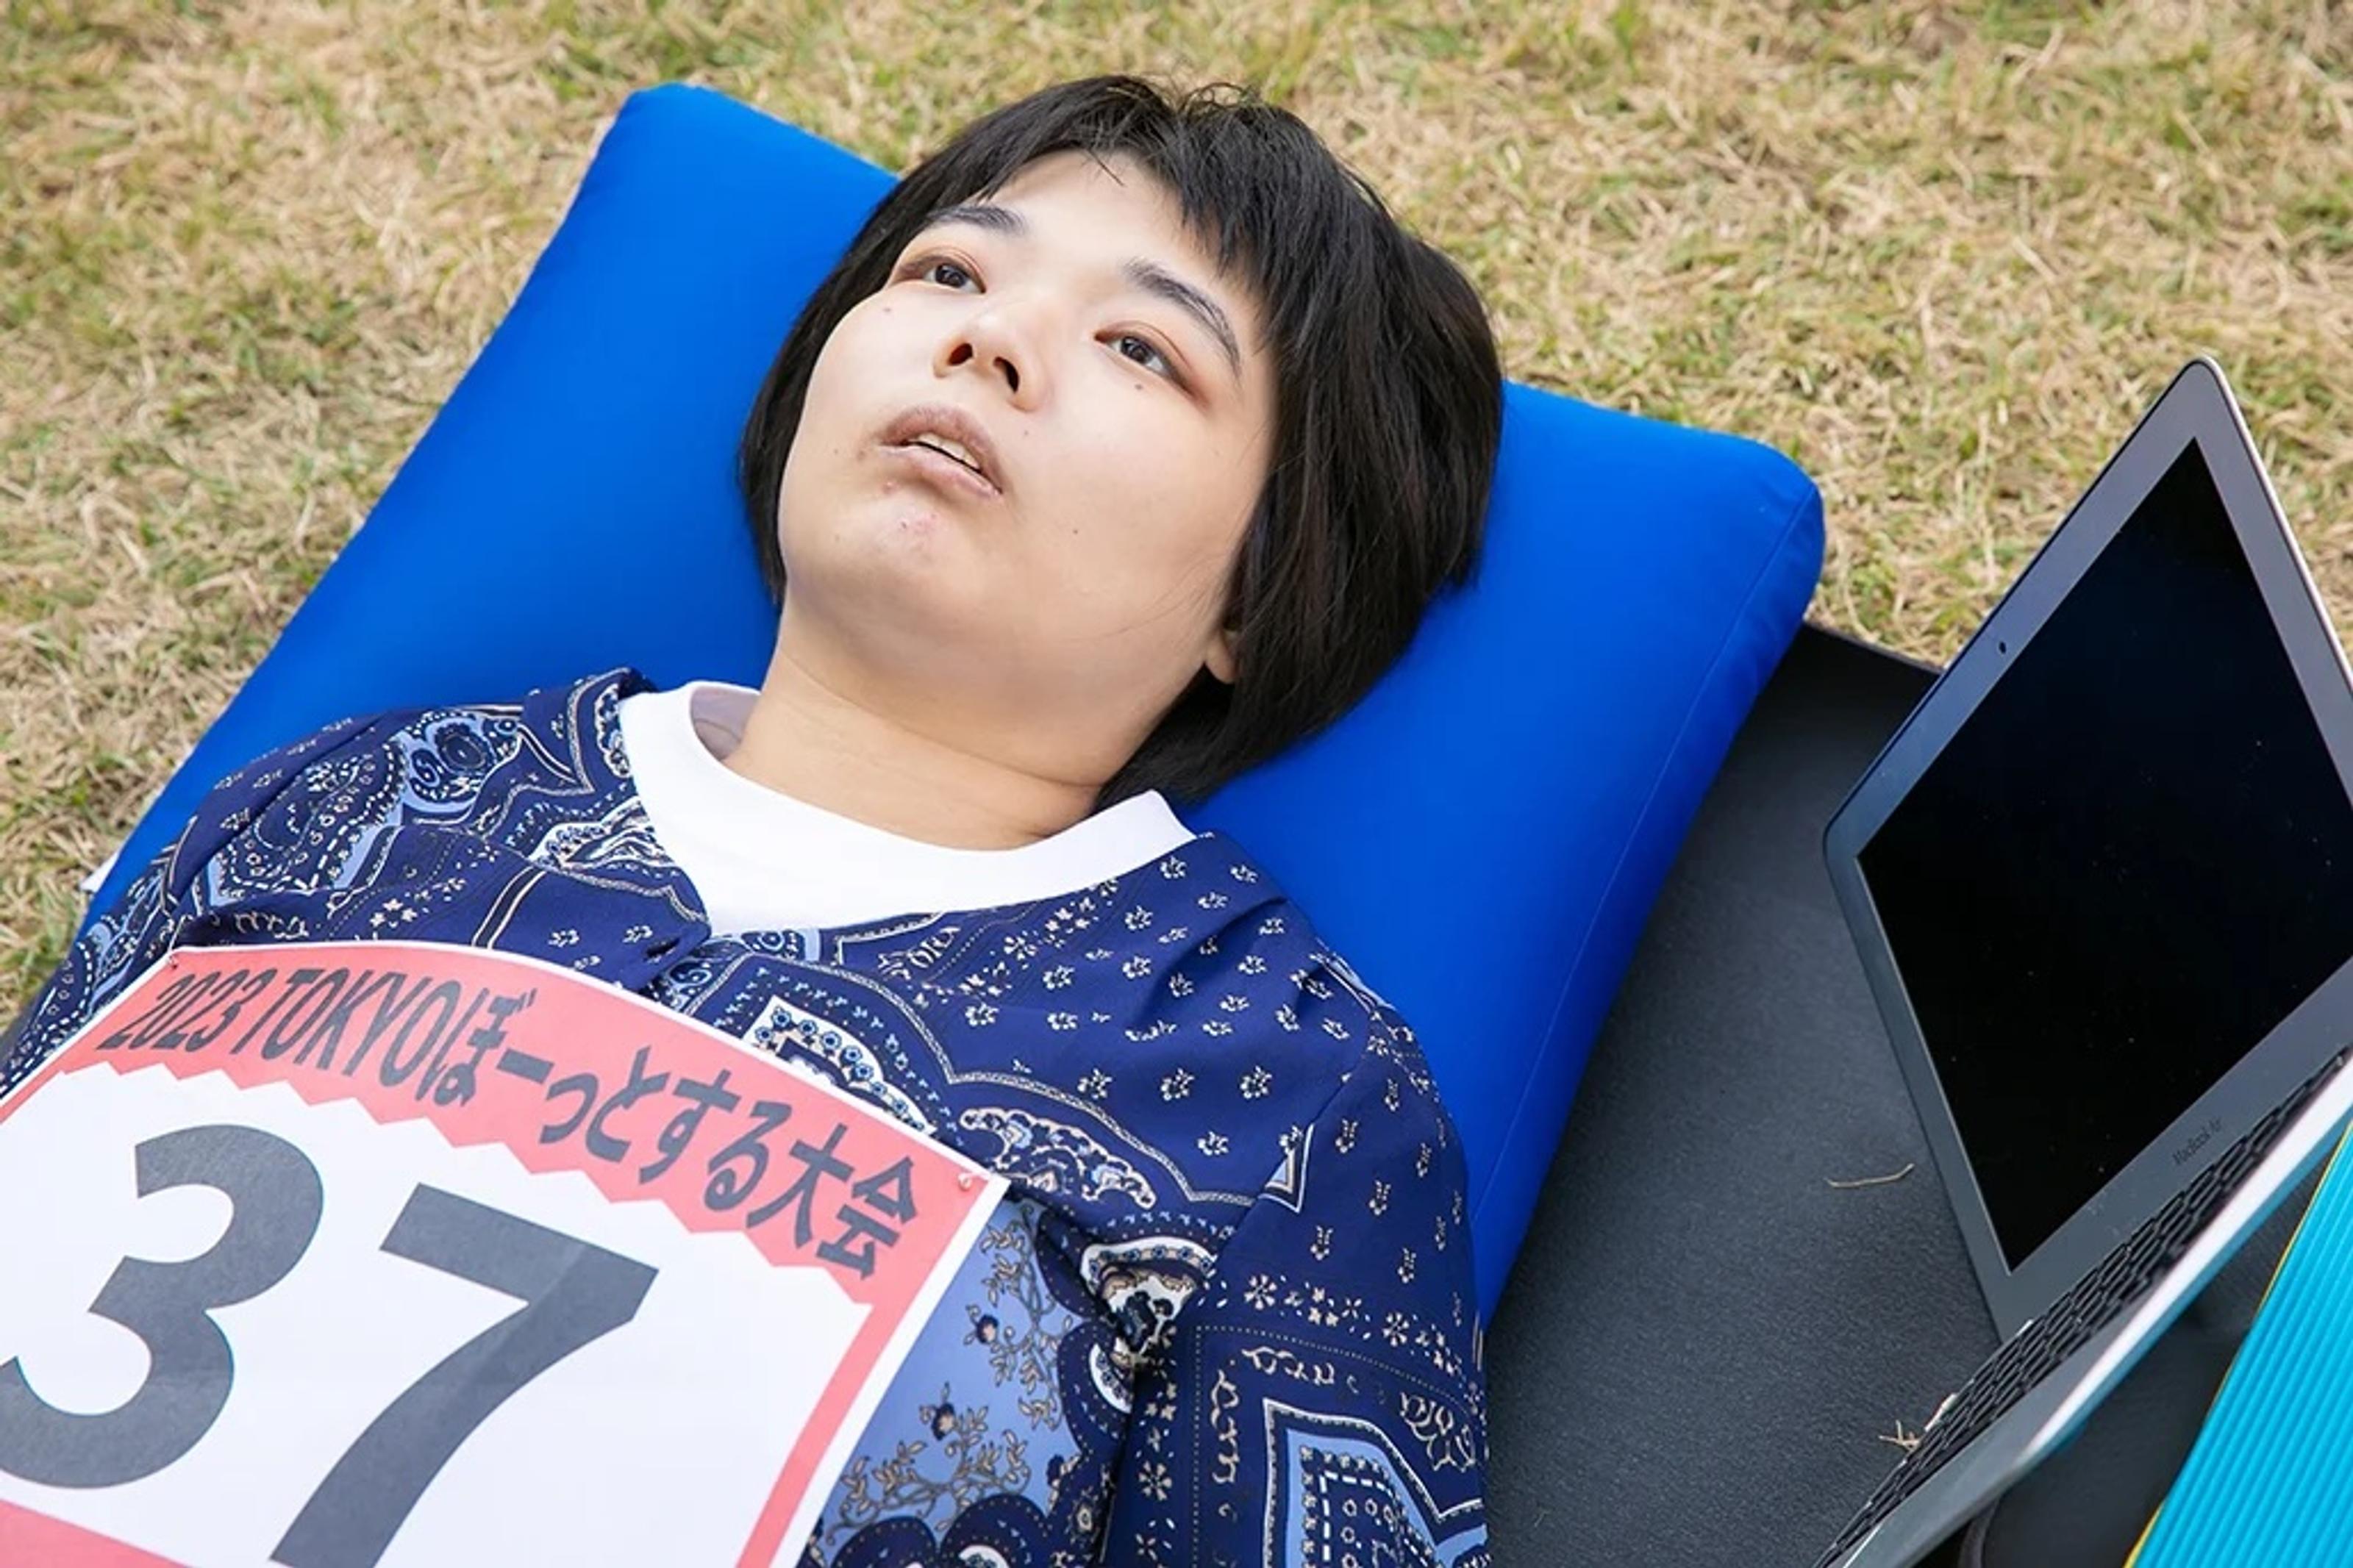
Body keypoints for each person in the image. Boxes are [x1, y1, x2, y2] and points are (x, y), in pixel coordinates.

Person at [4, 75, 1503, 1566]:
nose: (987, 337)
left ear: (1260, 585)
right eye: (947, 273)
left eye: (1140, 345)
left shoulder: (1275, 1094)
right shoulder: (364, 796)